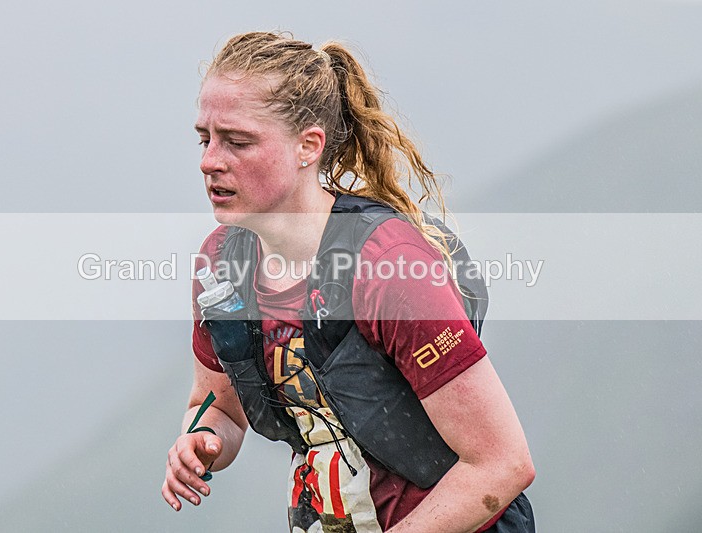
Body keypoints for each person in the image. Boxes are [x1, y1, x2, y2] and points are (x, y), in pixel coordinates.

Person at [162, 31, 535, 532]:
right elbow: (218, 410)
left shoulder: (390, 268)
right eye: (205, 138)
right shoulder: (220, 265)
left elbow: (501, 465)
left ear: (307, 146)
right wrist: (200, 441)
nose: (209, 160)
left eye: (238, 141)